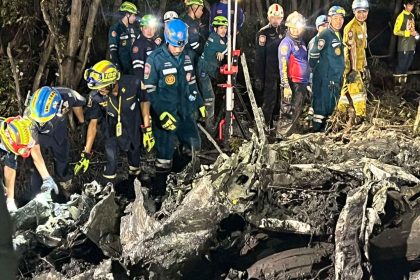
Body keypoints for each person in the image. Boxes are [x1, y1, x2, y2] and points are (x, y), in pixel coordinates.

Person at [144, 19, 205, 199]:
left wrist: (199, 103)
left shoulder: (187, 56)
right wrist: (161, 113)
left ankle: (178, 178)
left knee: (194, 146)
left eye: (181, 46)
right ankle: (159, 193)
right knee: (164, 158)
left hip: (184, 111)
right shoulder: (155, 59)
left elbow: (191, 83)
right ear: (167, 40)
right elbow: (150, 91)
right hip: (164, 115)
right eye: (175, 46)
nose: (178, 49)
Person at [78, 60, 152, 186]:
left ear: (113, 82)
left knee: (135, 155)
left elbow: (144, 101)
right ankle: (109, 189)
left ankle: (134, 184)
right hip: (111, 128)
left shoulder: (133, 83)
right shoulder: (96, 96)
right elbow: (93, 125)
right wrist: (86, 153)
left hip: (132, 124)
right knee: (111, 158)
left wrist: (147, 129)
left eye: (102, 86)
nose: (99, 90)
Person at [26, 86, 85, 197]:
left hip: (59, 129)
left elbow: (78, 103)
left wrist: (82, 123)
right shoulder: (29, 118)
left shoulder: (66, 95)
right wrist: (47, 178)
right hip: (40, 136)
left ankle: (63, 179)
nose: (41, 122)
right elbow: (35, 149)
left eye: (44, 119)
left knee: (62, 151)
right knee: (36, 163)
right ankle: (40, 190)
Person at [1, 116, 57, 212]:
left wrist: (47, 178)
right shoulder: (10, 140)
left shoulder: (20, 129)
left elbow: (34, 150)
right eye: (23, 149)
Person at [309, 6, 346, 132]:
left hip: (334, 78)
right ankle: (316, 131)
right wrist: (321, 72)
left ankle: (325, 133)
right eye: (335, 18)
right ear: (330, 19)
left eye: (341, 18)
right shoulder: (326, 34)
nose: (339, 21)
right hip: (326, 78)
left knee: (330, 105)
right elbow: (313, 55)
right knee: (321, 107)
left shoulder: (337, 35)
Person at [276, 11, 310, 137]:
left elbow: (304, 62)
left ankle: (290, 134)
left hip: (300, 82)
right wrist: (285, 86)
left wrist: (307, 81)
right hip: (291, 82)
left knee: (296, 110)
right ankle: (281, 136)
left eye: (298, 28)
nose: (296, 30)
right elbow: (282, 65)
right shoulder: (286, 43)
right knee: (287, 111)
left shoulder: (301, 43)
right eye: (293, 28)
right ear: (289, 27)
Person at [337, 0, 370, 124]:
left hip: (360, 65)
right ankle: (361, 117)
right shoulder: (351, 27)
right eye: (359, 12)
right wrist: (354, 69)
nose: (362, 15)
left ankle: (339, 114)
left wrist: (365, 66)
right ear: (354, 12)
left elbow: (362, 48)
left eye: (364, 12)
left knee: (346, 91)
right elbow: (352, 50)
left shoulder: (363, 25)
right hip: (351, 66)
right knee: (359, 92)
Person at [254, 3, 286, 128]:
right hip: (269, 73)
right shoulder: (263, 33)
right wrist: (258, 77)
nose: (275, 20)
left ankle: (278, 126)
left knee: (281, 101)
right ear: (268, 17)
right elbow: (259, 57)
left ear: (282, 18)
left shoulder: (285, 31)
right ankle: (265, 126)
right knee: (269, 101)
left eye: (278, 17)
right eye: (273, 17)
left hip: (282, 73)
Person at [197, 16, 228, 133]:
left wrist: (222, 52)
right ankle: (209, 128)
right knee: (210, 97)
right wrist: (223, 51)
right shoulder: (214, 39)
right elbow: (229, 47)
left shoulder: (219, 38)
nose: (224, 30)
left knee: (211, 95)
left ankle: (205, 120)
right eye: (221, 28)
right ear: (215, 29)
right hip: (204, 71)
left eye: (225, 28)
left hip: (210, 72)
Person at [393, 0, 419, 90]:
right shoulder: (401, 16)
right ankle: (396, 86)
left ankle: (403, 86)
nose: (411, 7)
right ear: (404, 5)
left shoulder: (412, 16)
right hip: (403, 45)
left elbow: (412, 29)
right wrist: (407, 33)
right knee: (401, 66)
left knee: (407, 66)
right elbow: (395, 31)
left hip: (411, 46)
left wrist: (415, 34)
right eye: (409, 5)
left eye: (412, 6)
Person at [108, 1, 138, 74]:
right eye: (133, 15)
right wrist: (117, 66)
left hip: (133, 67)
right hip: (122, 68)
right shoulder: (115, 28)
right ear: (127, 14)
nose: (135, 18)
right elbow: (113, 50)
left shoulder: (134, 29)